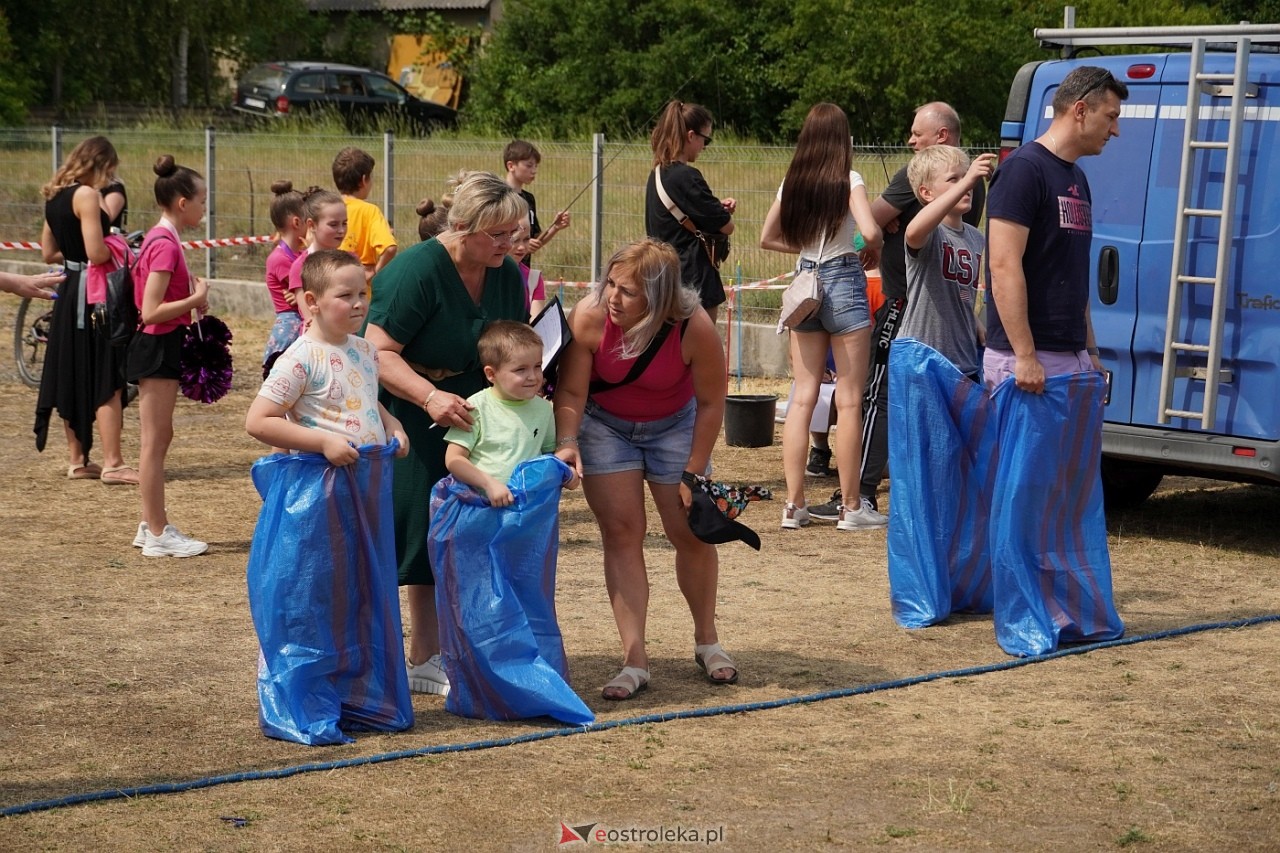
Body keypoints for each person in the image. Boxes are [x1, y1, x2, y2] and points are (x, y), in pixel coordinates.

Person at [363, 171, 529, 696]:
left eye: (514, 233)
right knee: (419, 530)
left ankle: (462, 645)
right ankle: (421, 654)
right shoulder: (415, 271)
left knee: (469, 530)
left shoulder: (507, 273)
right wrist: (429, 397)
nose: (509, 244)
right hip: (416, 412)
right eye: (497, 234)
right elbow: (377, 350)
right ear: (462, 227)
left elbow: (513, 341)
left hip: (481, 412)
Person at [244, 249, 411, 744]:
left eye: (364, 293)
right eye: (347, 295)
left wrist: (395, 425)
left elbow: (367, 399)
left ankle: (354, 694)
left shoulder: (362, 349)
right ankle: (303, 695)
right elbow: (259, 420)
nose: (359, 303)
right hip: (318, 496)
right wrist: (323, 441)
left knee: (357, 588)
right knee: (313, 593)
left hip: (365, 491)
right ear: (312, 302)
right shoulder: (300, 357)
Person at [553, 239, 731, 700]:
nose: (612, 297)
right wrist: (568, 442)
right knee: (623, 532)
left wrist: (693, 472)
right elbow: (571, 394)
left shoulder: (694, 326)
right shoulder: (590, 316)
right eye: (610, 283)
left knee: (689, 531)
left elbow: (712, 403)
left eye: (627, 291)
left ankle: (707, 640)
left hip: (676, 425)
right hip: (604, 426)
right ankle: (635, 657)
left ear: (659, 297)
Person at [820, 102, 987, 521]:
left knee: (879, 397)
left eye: (918, 133)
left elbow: (871, 226)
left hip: (909, 304)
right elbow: (898, 230)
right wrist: (884, 231)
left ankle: (862, 493)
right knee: (882, 395)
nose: (911, 141)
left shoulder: (954, 190)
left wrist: (877, 232)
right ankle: (861, 492)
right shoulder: (953, 183)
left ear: (942, 136)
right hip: (912, 314)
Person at [760, 102, 884, 533]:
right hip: (845, 280)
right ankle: (852, 507)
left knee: (802, 395)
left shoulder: (791, 181)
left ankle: (793, 505)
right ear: (841, 139)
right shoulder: (848, 179)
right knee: (850, 400)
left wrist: (805, 254)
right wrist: (873, 247)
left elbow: (766, 237)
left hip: (804, 285)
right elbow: (870, 232)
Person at [985, 66, 1127, 390]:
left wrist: (1088, 350)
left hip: (1069, 356)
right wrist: (1024, 355)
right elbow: (1003, 266)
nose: (1115, 130)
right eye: (1110, 116)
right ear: (1080, 110)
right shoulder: (1023, 170)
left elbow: (1074, 272)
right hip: (1029, 362)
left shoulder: (1077, 178)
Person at [35, 135, 138, 485]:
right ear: (101, 164)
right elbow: (97, 253)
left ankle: (77, 460)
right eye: (110, 170)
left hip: (67, 289)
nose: (110, 177)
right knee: (106, 375)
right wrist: (120, 246)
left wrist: (74, 257)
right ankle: (113, 463)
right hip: (93, 294)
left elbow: (48, 252)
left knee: (72, 370)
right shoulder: (87, 195)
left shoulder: (55, 195)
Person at [127, 155, 211, 557]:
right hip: (157, 345)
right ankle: (159, 533)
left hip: (162, 344)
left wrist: (190, 304)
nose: (204, 209)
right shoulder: (163, 244)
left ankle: (149, 523)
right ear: (181, 203)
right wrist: (195, 298)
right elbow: (150, 310)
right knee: (155, 441)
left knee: (159, 438)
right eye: (201, 201)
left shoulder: (163, 240)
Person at [445, 320, 579, 502]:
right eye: (520, 369)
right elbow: (453, 458)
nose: (533, 376)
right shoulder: (476, 407)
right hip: (481, 508)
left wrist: (565, 472)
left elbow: (547, 457)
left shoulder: (543, 409)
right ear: (491, 374)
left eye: (537, 366)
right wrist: (488, 484)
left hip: (527, 511)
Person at [897, 146, 996, 378]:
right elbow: (913, 232)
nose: (967, 185)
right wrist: (968, 179)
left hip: (964, 360)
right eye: (954, 179)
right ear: (927, 193)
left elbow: (959, 292)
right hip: (924, 360)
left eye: (966, 177)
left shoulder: (975, 237)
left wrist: (974, 321)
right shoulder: (931, 233)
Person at [644, 100, 735, 323]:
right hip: (693, 281)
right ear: (691, 136)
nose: (705, 146)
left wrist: (713, 208)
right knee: (699, 353)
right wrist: (720, 213)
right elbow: (726, 226)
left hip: (663, 280)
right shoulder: (687, 176)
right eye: (706, 139)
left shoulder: (657, 174)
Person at [260, 180, 307, 377]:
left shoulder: (297, 254)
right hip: (291, 329)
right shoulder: (280, 259)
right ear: (297, 222)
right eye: (310, 222)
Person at [333, 147, 397, 287]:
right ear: (363, 180)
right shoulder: (370, 212)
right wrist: (374, 272)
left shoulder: (328, 208)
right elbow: (390, 249)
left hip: (331, 286)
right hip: (360, 292)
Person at [503, 139, 570, 254]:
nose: (534, 171)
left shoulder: (529, 199)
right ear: (511, 166)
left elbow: (535, 241)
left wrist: (555, 227)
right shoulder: (499, 197)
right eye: (529, 165)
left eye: (535, 166)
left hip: (523, 269)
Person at [287, 187, 349, 297]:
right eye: (333, 225)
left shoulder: (350, 260)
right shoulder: (301, 267)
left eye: (344, 223)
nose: (341, 230)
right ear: (311, 225)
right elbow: (308, 313)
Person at [508, 220, 546, 319]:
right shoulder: (483, 273)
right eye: (515, 240)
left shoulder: (534, 279)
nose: (522, 247)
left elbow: (535, 325)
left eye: (526, 239)